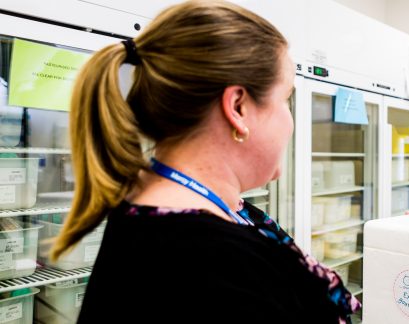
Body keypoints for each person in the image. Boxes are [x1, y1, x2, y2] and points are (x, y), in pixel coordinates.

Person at [49, 1, 360, 323]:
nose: (290, 119)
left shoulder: (177, 215)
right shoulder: (208, 261)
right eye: (285, 99)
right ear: (238, 107)